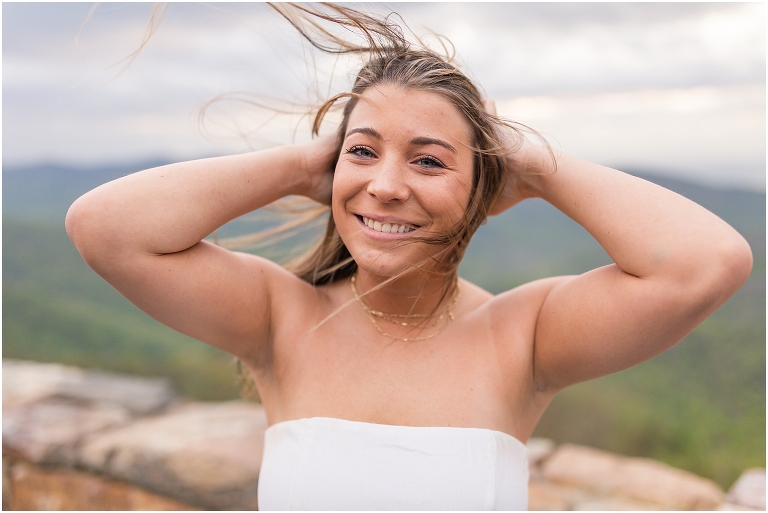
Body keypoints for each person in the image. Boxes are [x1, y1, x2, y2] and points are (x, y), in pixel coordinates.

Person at [65, 4, 753, 510]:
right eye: (363, 151)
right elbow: (104, 228)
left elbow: (707, 262)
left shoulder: (524, 335)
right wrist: (309, 162)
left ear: (481, 188)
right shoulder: (280, 319)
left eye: (428, 160)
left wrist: (533, 165)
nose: (386, 185)